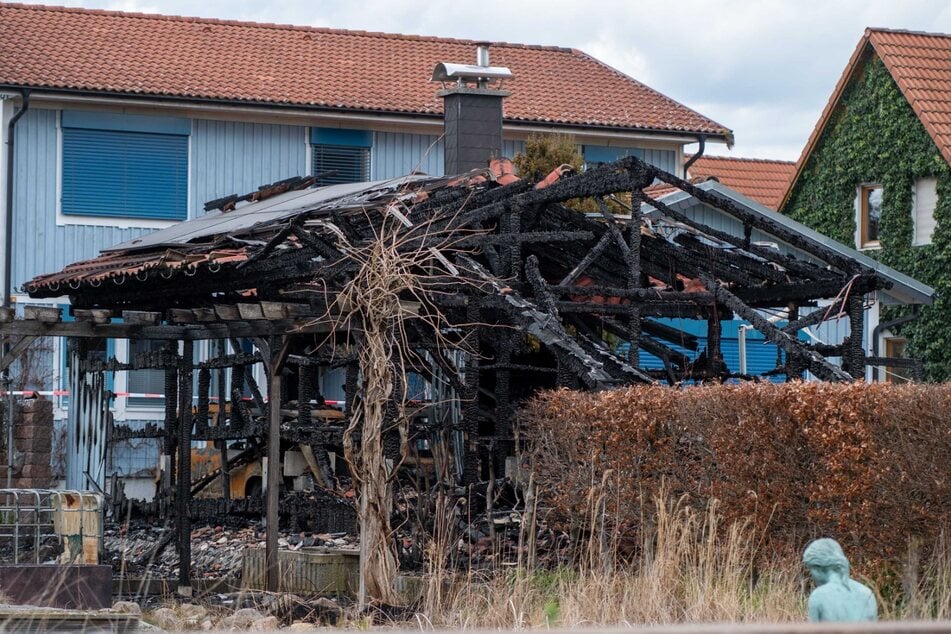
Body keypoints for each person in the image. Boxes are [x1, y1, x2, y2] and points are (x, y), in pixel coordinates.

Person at [803, 538, 877, 622]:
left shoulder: (818, 596)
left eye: (810, 569)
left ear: (819, 567)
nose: (811, 575)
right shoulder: (867, 593)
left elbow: (814, 628)